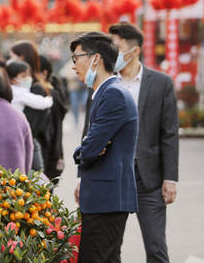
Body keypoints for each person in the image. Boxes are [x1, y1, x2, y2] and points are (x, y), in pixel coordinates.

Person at [109, 22, 178, 263]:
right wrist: (81, 177)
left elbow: (169, 133)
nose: (112, 53)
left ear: (134, 50)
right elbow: (90, 128)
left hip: (149, 179)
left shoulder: (161, 83)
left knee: (156, 247)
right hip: (113, 177)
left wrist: (170, 177)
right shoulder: (107, 83)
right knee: (109, 248)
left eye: (116, 48)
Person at [70, 32, 138, 263]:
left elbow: (88, 150)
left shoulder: (113, 95)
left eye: (76, 58)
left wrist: (85, 149)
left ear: (95, 59)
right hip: (102, 197)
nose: (73, 66)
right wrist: (88, 148)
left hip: (108, 199)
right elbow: (91, 147)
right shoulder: (104, 92)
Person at [10, 41, 50, 172]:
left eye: (12, 56)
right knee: (35, 174)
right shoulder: (20, 91)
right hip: (26, 138)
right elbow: (39, 102)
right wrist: (49, 100)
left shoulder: (25, 89)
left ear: (21, 57)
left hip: (23, 136)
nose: (10, 60)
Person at [38, 55, 69, 182]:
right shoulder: (49, 94)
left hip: (47, 162)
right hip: (51, 160)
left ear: (44, 73)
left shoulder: (49, 97)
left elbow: (54, 132)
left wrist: (55, 160)